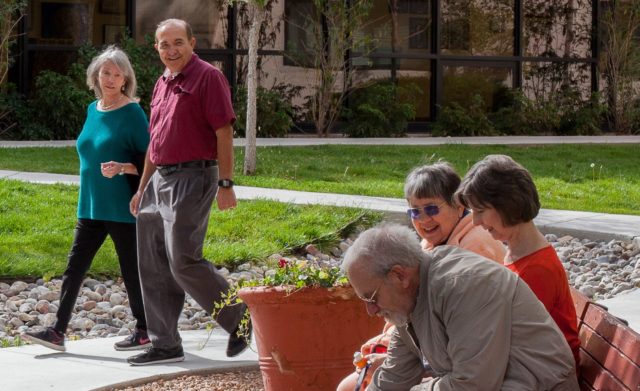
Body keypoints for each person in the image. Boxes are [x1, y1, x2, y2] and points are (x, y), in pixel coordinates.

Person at [126, 18, 247, 366]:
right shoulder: (162, 82)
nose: (171, 50)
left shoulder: (208, 77)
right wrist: (142, 186)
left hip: (193, 177)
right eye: (165, 45)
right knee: (151, 264)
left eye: (178, 42)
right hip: (158, 180)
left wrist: (226, 183)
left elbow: (223, 131)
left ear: (192, 43)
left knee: (183, 260)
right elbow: (154, 141)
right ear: (157, 49)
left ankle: (240, 317)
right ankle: (165, 344)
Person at [343, 223, 579, 391]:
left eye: (371, 297)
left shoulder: (463, 285)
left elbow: (472, 385)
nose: (371, 310)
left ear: (399, 275)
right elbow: (394, 378)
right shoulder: (407, 301)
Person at [23, 46, 150, 352]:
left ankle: (144, 330)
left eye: (117, 74)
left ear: (125, 80)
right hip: (90, 206)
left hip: (123, 207)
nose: (110, 78)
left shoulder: (132, 112)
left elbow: (151, 160)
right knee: (74, 268)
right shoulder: (93, 109)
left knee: (131, 270)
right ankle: (57, 331)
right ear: (96, 75)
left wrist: (122, 168)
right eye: (106, 72)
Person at [337, 162, 506, 391]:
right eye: (415, 211)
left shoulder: (464, 272)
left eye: (432, 209)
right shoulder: (422, 262)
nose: (424, 219)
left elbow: (471, 378)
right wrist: (382, 349)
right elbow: (398, 370)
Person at [455, 154, 581, 367]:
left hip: (543, 377)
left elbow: (508, 341)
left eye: (480, 211)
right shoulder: (519, 254)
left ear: (507, 205)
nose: (475, 221)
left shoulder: (537, 269)